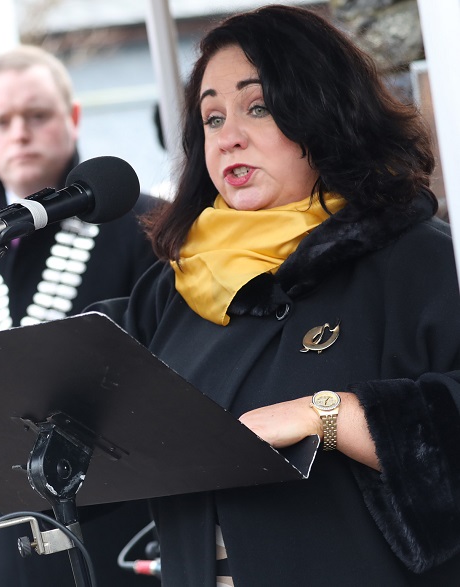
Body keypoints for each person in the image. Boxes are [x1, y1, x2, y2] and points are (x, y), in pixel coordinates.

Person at [90, 5, 460, 585]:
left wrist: (324, 415)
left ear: (325, 114)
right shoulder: (174, 286)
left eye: (258, 107)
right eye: (212, 119)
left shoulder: (423, 260)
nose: (229, 137)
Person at [0, 45, 161, 587]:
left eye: (37, 115)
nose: (19, 133)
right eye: (2, 121)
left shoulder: (147, 227)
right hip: (8, 534)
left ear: (72, 118)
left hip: (125, 530)